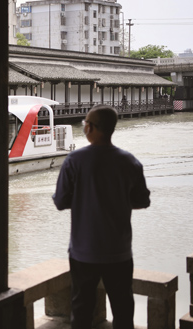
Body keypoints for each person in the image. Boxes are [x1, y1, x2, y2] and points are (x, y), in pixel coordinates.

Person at [53, 105, 151, 329]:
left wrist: (83, 200)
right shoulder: (129, 161)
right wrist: (117, 202)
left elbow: (60, 202)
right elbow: (142, 201)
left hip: (83, 251)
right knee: (123, 309)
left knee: (81, 310)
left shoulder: (74, 161)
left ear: (91, 128)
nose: (84, 126)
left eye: (85, 123)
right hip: (119, 251)